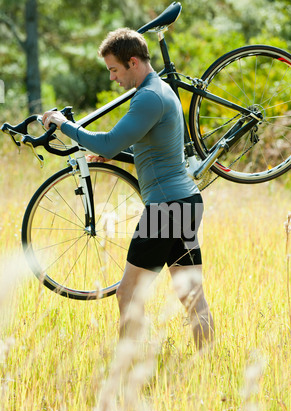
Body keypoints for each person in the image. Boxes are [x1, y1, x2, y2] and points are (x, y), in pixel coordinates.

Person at [42, 28, 214, 351]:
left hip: (166, 209)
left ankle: (127, 369)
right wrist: (112, 152)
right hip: (184, 203)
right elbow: (152, 153)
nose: (112, 78)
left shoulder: (148, 97)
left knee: (127, 293)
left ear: (132, 61)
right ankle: (207, 365)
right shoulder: (161, 91)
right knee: (191, 296)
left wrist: (62, 124)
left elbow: (107, 139)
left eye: (114, 70)